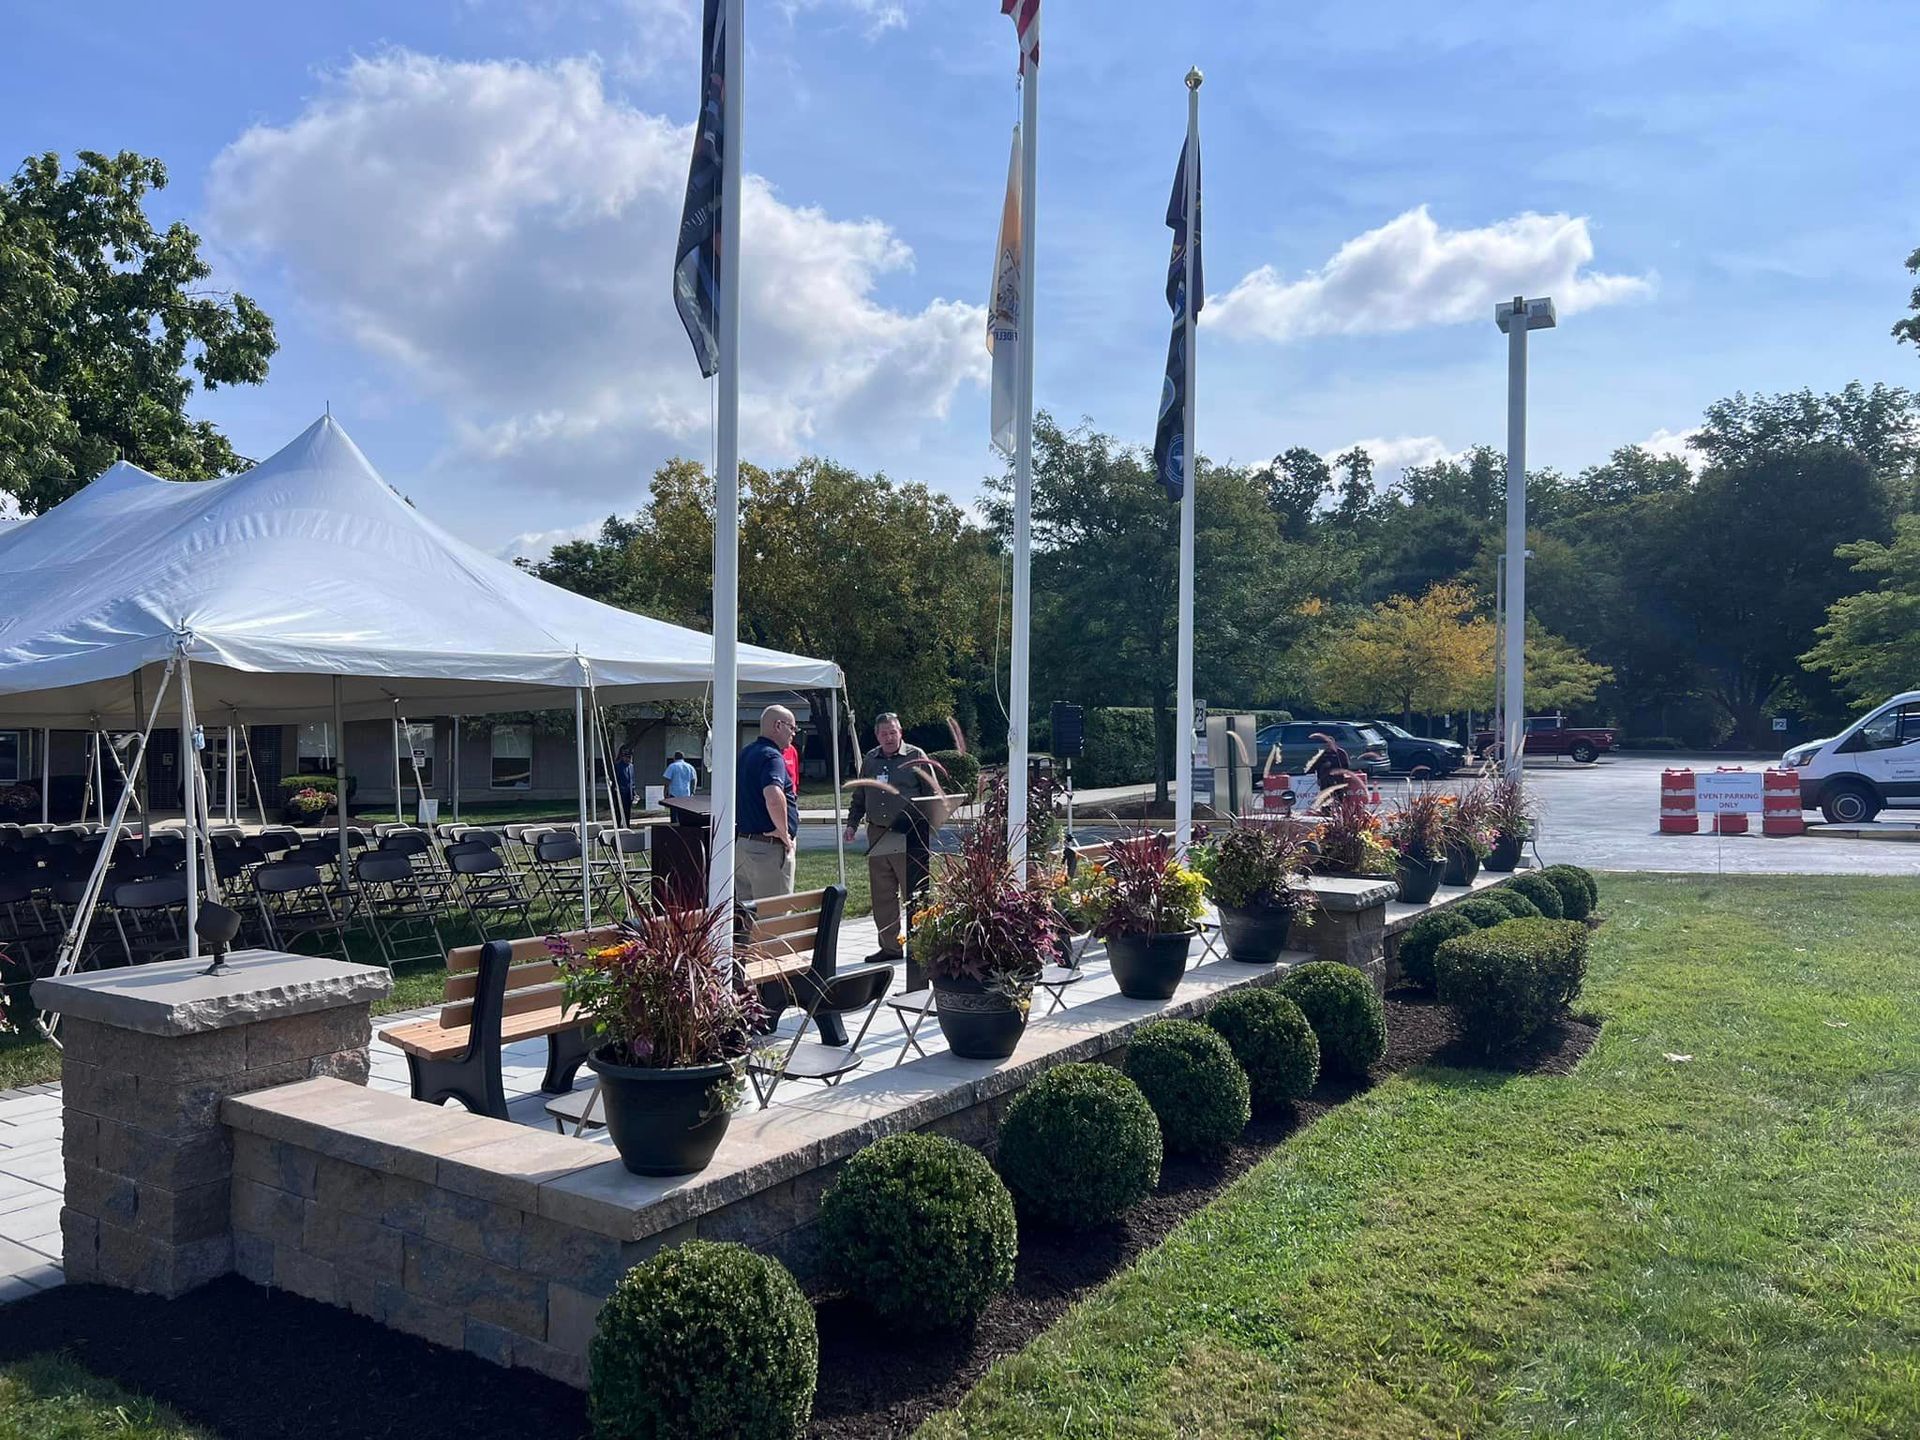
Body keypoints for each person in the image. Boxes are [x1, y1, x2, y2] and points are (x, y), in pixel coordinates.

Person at [844, 712, 939, 982]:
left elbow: (932, 793)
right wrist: (852, 824)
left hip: (909, 834)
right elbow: (860, 796)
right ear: (877, 736)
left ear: (901, 732)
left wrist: (927, 827)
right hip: (878, 834)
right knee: (883, 894)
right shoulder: (871, 760)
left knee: (916, 893)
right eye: (883, 733)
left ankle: (922, 947)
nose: (888, 737)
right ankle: (890, 947)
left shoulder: (916, 756)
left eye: (892, 732)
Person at [735, 705, 799, 904]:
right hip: (767, 850)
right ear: (778, 726)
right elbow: (773, 794)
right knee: (774, 921)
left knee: (747, 918)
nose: (793, 734)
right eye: (792, 728)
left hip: (743, 846)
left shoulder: (745, 754)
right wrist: (783, 833)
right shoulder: (772, 756)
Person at [613, 746, 635, 827]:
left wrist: (634, 792)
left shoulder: (631, 767)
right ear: (623, 757)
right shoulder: (618, 766)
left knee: (627, 812)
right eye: (627, 757)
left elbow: (632, 781)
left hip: (629, 794)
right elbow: (615, 779)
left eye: (630, 757)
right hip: (620, 793)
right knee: (618, 812)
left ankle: (627, 826)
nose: (629, 759)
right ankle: (618, 826)